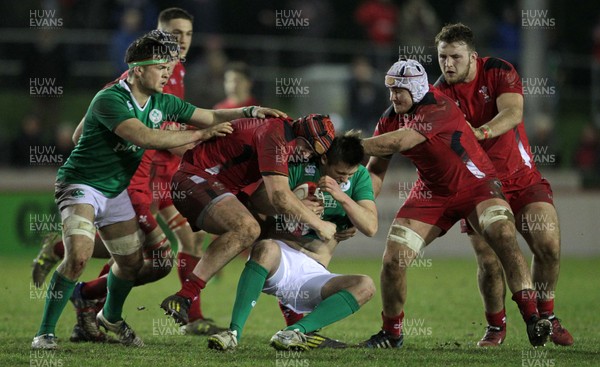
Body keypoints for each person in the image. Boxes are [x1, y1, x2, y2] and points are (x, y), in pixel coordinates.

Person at [31, 29, 284, 350]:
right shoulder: (111, 98)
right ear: (138, 70)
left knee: (132, 264)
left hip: (117, 190)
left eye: (170, 68)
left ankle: (109, 317)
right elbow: (146, 137)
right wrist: (198, 136)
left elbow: (209, 115)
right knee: (79, 256)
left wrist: (249, 112)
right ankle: (44, 333)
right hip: (82, 184)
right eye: (161, 68)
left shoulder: (162, 101)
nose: (168, 74)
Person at [359, 58, 552, 348]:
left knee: (502, 236)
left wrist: (349, 146)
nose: (393, 96)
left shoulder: (438, 105)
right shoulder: (390, 118)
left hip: (477, 186)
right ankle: (392, 333)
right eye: (390, 90)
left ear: (416, 88)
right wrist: (359, 206)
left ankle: (532, 318)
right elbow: (375, 171)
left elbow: (399, 142)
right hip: (433, 192)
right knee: (393, 260)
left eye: (399, 90)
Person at [434, 23, 573, 346]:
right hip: (477, 186)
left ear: (473, 57)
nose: (448, 64)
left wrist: (479, 132)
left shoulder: (499, 71)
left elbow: (513, 112)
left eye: (455, 57)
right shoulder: (438, 94)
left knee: (548, 247)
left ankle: (547, 316)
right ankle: (496, 326)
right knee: (488, 260)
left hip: (521, 178)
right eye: (442, 57)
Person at [160, 114, 337, 325]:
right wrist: (319, 224)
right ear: (300, 134)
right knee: (247, 228)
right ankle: (185, 296)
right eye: (307, 147)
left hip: (220, 188)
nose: (307, 155)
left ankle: (296, 326)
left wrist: (299, 209)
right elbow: (280, 197)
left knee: (285, 237)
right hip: (194, 178)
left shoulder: (285, 137)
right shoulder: (276, 136)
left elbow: (261, 200)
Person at [206, 132, 377, 351]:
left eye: (350, 174)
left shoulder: (358, 176)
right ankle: (233, 333)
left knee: (366, 285)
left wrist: (341, 195)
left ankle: (294, 332)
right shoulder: (300, 165)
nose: (345, 179)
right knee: (265, 247)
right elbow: (257, 200)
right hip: (283, 260)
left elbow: (371, 226)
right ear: (324, 159)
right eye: (340, 173)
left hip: (315, 272)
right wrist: (296, 204)